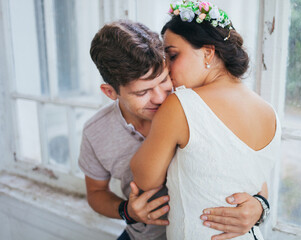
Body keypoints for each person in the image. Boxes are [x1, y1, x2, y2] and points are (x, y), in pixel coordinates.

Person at [79, 19, 269, 240]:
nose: (160, 98)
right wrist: (127, 212)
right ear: (110, 92)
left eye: (163, 80)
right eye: (142, 93)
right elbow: (95, 193)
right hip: (142, 236)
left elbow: (252, 169)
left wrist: (260, 206)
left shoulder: (195, 105)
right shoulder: (95, 132)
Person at [130, 1, 281, 240]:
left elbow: (145, 179)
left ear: (208, 52)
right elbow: (252, 180)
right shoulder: (269, 112)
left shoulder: (181, 105)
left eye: (172, 55)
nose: (166, 69)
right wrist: (262, 205)